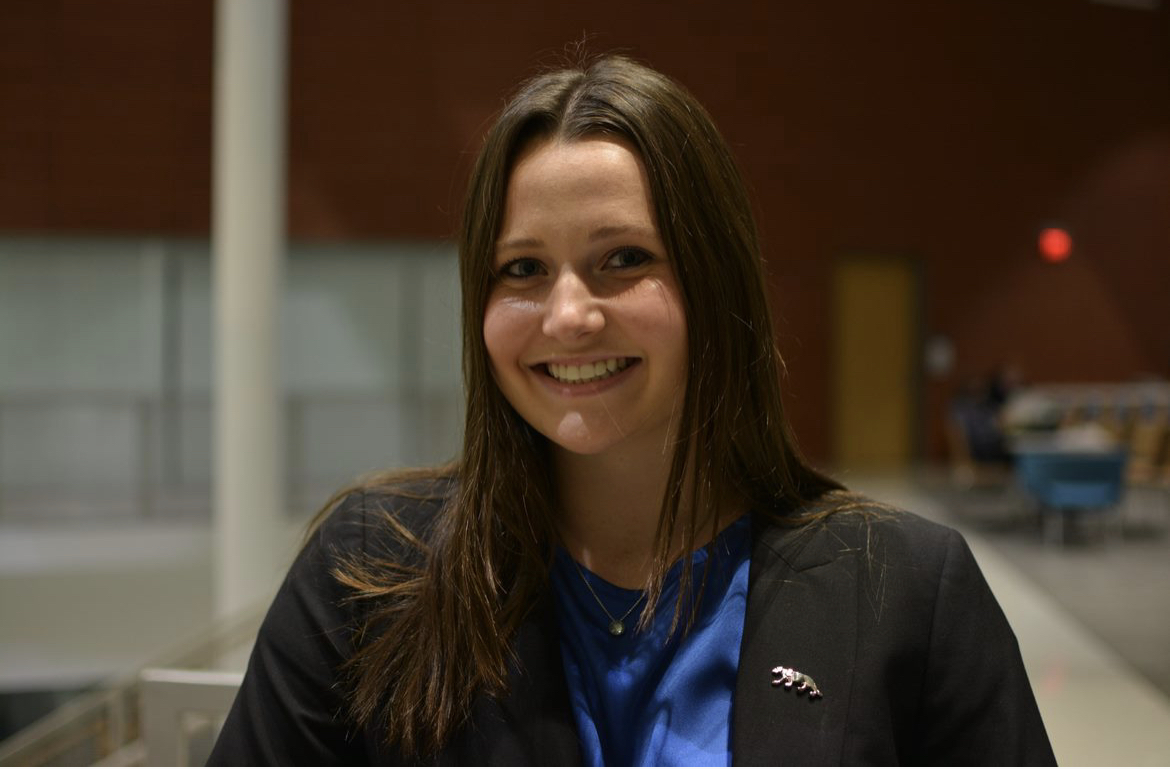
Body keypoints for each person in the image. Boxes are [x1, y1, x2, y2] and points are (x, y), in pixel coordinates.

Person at [208, 55, 1055, 766]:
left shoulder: (905, 588)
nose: (568, 315)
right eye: (523, 269)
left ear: (714, 286)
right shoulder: (370, 571)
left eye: (623, 258)